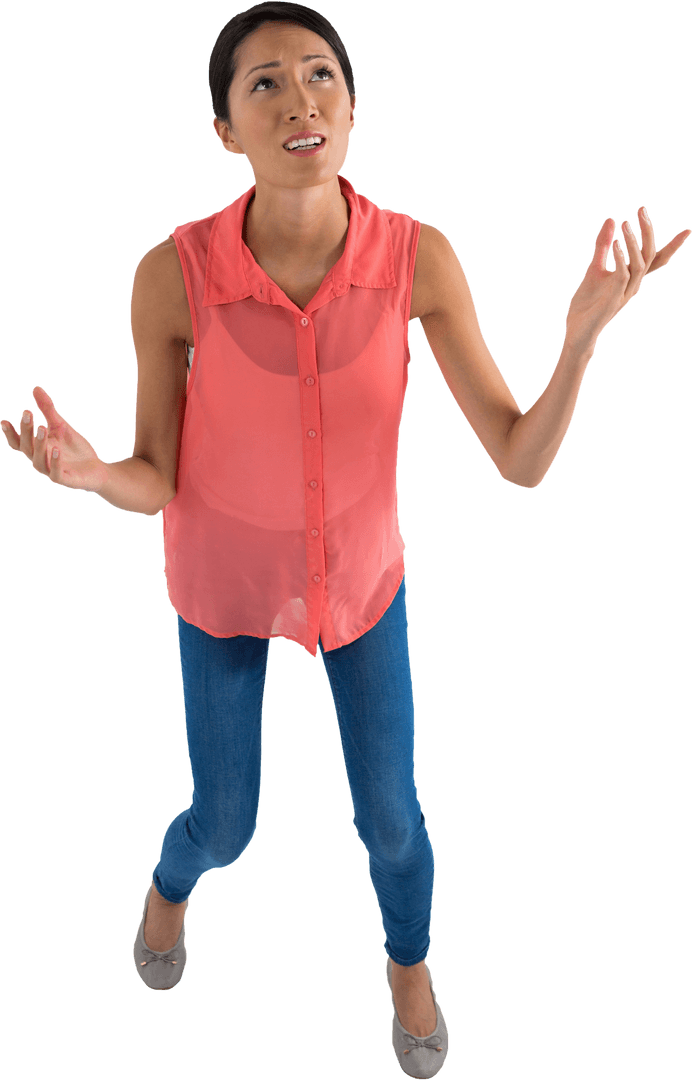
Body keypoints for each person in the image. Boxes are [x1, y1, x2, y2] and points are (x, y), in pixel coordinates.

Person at [1, 3, 688, 1077]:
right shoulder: (169, 274)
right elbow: (154, 477)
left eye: (318, 74)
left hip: (360, 586)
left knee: (393, 824)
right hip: (221, 583)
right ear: (224, 129)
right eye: (262, 83)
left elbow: (517, 457)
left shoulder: (418, 258)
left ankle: (407, 969)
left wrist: (579, 338)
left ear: (353, 107)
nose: (298, 97)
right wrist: (92, 476)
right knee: (224, 825)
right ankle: (167, 888)